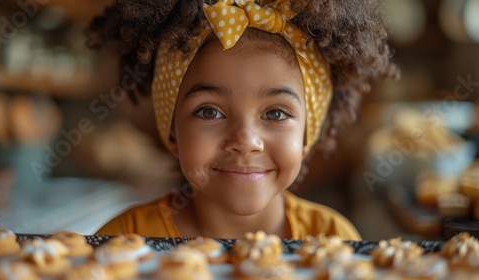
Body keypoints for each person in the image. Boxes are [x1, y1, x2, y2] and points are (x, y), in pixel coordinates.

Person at [87, 0, 397, 240]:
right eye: (210, 111)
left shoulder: (332, 238)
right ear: (171, 132)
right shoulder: (123, 241)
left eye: (276, 113)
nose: (246, 140)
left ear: (307, 135)